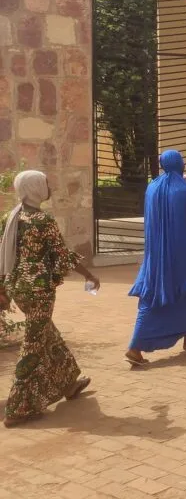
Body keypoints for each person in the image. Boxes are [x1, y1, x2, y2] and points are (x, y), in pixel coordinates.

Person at [0, 171, 99, 427]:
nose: (50, 187)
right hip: (39, 291)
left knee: (46, 332)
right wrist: (89, 275)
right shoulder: (42, 220)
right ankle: (17, 409)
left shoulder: (12, 217)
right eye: (46, 183)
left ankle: (69, 383)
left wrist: (3, 288)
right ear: (34, 188)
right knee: (33, 345)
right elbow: (62, 255)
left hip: (19, 289)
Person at [126, 151, 186, 365]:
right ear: (179, 164)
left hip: (156, 251)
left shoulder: (151, 187)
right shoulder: (185, 189)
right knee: (179, 289)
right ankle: (134, 348)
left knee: (164, 289)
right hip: (180, 250)